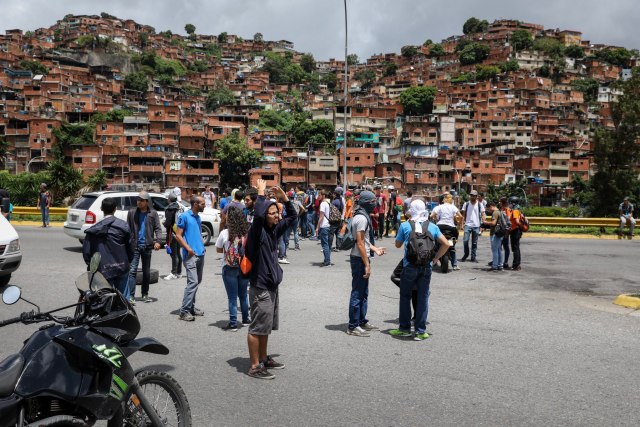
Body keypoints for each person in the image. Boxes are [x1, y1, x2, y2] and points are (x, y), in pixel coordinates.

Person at [245, 179, 296, 379]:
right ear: (265, 214)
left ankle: (264, 358)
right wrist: (260, 194)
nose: (277, 215)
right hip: (260, 285)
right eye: (272, 213)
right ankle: (255, 366)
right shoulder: (257, 231)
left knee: (266, 326)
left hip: (272, 284)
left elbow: (292, 217)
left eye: (277, 212)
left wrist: (285, 199)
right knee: (257, 326)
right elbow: (257, 215)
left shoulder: (273, 230)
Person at [390, 199, 450, 340]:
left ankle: (404, 328)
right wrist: (435, 258)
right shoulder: (433, 227)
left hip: (409, 266)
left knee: (405, 297)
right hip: (426, 267)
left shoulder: (405, 226)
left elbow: (398, 245)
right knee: (423, 298)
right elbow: (446, 244)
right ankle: (420, 331)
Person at [346, 191, 386, 337]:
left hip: (361, 257)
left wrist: (374, 249)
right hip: (359, 259)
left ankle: (361, 320)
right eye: (373, 202)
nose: (375, 204)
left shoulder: (362, 216)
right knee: (357, 292)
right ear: (367, 203)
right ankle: (353, 326)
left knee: (364, 292)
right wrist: (367, 264)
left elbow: (365, 239)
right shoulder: (362, 218)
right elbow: (360, 243)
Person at [82, 198, 133, 297]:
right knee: (124, 300)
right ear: (115, 209)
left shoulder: (93, 229)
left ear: (101, 209)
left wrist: (92, 266)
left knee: (104, 299)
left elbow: (86, 253)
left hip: (102, 270)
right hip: (122, 267)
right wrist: (129, 261)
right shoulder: (123, 226)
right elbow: (130, 246)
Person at [215, 206, 250, 331]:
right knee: (244, 294)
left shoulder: (225, 233)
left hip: (229, 267)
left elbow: (218, 249)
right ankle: (246, 319)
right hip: (244, 267)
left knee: (232, 297)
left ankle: (233, 323)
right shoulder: (246, 233)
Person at [126, 191, 163, 304]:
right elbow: (127, 229)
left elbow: (158, 228)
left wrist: (158, 241)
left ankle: (144, 294)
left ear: (147, 202)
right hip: (135, 246)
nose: (139, 202)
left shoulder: (153, 213)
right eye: (138, 200)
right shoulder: (132, 212)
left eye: (141, 200)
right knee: (132, 271)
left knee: (146, 272)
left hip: (147, 246)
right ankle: (131, 296)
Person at [174, 195, 207, 321]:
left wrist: (201, 247)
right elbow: (178, 235)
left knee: (196, 282)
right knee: (192, 283)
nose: (204, 205)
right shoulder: (184, 216)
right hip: (190, 255)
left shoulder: (198, 217)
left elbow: (197, 233)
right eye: (202, 203)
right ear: (195, 204)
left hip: (200, 253)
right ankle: (184, 311)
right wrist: (188, 249)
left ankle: (191, 307)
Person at [430, 193, 462, 271]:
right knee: (452, 245)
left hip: (440, 226)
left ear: (444, 199)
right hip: (452, 228)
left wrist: (435, 219)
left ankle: (434, 261)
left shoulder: (439, 207)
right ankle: (454, 265)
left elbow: (431, 216)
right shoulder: (453, 207)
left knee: (434, 244)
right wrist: (458, 224)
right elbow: (461, 216)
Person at [460, 190, 484, 263]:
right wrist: (462, 224)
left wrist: (482, 226)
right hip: (468, 225)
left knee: (474, 242)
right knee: (465, 240)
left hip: (476, 225)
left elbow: (483, 215)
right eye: (471, 195)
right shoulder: (466, 204)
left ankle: (473, 257)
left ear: (476, 197)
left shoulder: (480, 204)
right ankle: (466, 254)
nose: (472, 197)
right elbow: (464, 215)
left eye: (474, 196)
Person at [163, 193, 182, 280]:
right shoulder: (179, 208)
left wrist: (164, 223)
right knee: (177, 253)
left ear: (169, 199)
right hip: (179, 233)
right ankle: (178, 272)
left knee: (173, 254)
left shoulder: (169, 209)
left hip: (171, 233)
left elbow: (168, 223)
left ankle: (173, 273)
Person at [483, 201, 504, 272]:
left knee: (495, 250)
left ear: (491, 206)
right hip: (500, 233)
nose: (489, 210)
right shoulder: (499, 212)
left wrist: (486, 223)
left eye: (488, 209)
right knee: (499, 250)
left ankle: (495, 266)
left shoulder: (495, 213)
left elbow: (493, 223)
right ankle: (500, 265)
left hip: (495, 233)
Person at [506, 196, 524, 271]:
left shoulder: (515, 210)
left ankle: (516, 265)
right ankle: (516, 264)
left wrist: (520, 226)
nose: (508, 204)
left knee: (515, 248)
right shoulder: (516, 209)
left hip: (515, 231)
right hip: (515, 230)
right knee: (516, 248)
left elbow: (516, 221)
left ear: (513, 203)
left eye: (509, 202)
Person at [316, 190, 332, 267]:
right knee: (327, 244)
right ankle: (327, 260)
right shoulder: (327, 203)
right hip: (328, 225)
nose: (318, 196)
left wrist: (317, 227)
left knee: (325, 245)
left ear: (323, 195)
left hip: (324, 226)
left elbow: (321, 216)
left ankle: (327, 262)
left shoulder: (322, 203)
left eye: (319, 195)